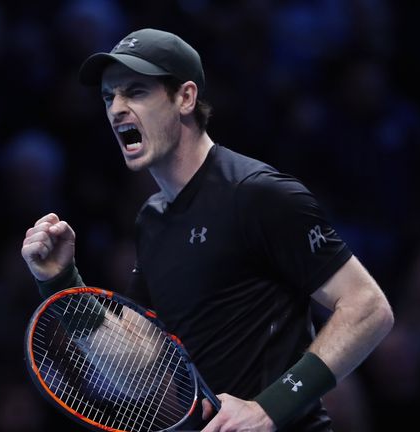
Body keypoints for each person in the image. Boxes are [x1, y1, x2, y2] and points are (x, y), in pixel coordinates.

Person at [20, 28, 394, 431]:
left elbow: (368, 308)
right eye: (109, 97)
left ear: (185, 97)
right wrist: (61, 282)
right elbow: (140, 369)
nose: (117, 109)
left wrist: (269, 408)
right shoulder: (152, 219)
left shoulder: (257, 193)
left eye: (136, 92)